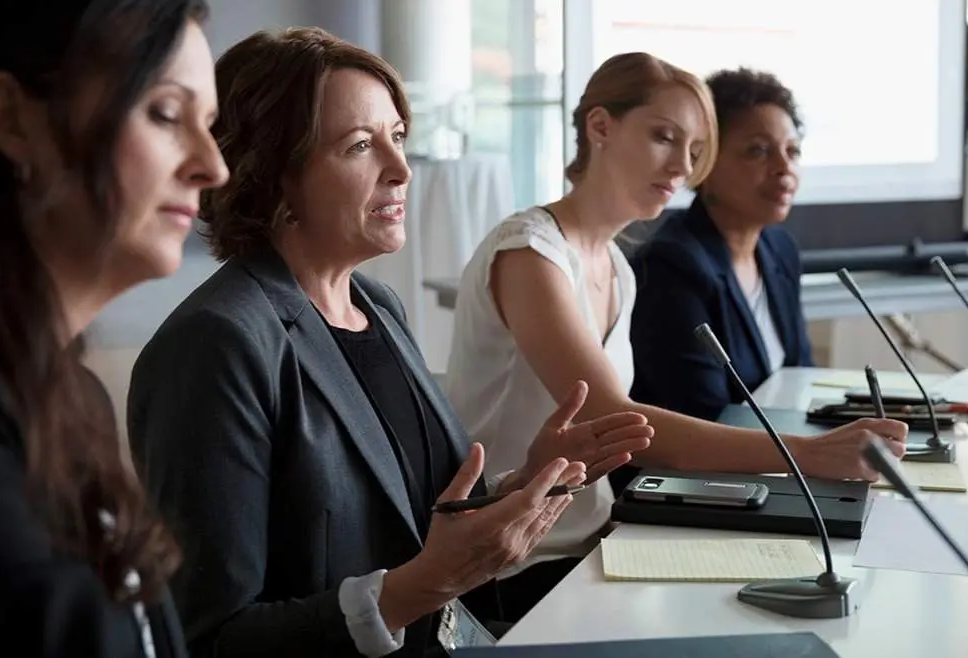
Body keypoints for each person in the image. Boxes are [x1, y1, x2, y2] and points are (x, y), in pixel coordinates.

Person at [126, 28, 653, 658]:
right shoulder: (217, 344)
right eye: (358, 146)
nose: (401, 169)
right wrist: (426, 585)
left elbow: (414, 518)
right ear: (272, 174)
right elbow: (213, 639)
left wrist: (523, 485)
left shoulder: (377, 305)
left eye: (397, 137)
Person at [444, 52, 909, 619]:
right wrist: (808, 455)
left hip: (592, 544)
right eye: (664, 137)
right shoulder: (529, 251)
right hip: (512, 564)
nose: (681, 169)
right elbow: (611, 421)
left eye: (694, 152)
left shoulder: (617, 266)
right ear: (600, 127)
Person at [0, 1, 228, 656]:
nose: (214, 166)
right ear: (13, 119)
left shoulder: (73, 401)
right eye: (165, 114)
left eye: (208, 125)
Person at [630, 68, 812, 419]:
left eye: (792, 151)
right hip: (703, 467)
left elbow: (802, 375)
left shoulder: (780, 249)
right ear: (703, 162)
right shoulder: (672, 264)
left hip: (779, 453)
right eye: (758, 151)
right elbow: (700, 412)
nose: (783, 168)